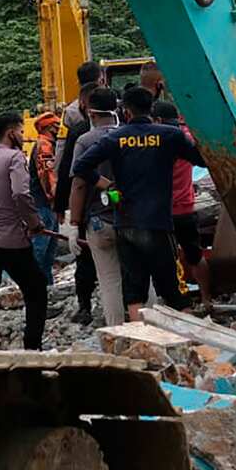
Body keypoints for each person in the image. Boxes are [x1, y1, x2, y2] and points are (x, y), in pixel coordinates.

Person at [71, 86, 204, 322]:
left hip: (126, 222)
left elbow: (81, 167)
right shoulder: (169, 135)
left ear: (126, 111)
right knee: (172, 287)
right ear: (151, 108)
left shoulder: (115, 138)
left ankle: (138, 337)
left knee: (134, 289)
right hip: (158, 222)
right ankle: (188, 335)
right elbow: (202, 159)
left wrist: (107, 186)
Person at [0, 112, 50, 349]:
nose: (24, 137)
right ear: (10, 133)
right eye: (21, 131)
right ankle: (32, 346)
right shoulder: (15, 158)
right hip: (12, 241)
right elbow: (20, 194)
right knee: (36, 290)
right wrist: (34, 223)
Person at [67, 87, 125, 326]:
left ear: (90, 113)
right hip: (130, 217)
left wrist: (74, 224)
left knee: (109, 281)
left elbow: (79, 184)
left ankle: (119, 333)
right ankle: (149, 329)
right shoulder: (128, 135)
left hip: (99, 221)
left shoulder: (85, 141)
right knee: (141, 277)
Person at [151, 100, 211, 305]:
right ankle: (207, 300)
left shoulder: (156, 141)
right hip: (186, 207)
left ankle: (174, 301)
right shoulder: (186, 138)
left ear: (158, 120)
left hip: (162, 211)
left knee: (164, 259)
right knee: (196, 255)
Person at [54, 79, 100, 325]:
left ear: (83, 104)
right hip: (120, 204)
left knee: (85, 257)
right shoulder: (123, 129)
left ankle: (85, 307)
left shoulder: (80, 134)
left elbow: (68, 173)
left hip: (87, 205)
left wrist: (63, 208)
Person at [29, 111, 61, 283]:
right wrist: (56, 200)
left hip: (46, 204)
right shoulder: (44, 146)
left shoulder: (47, 144)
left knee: (48, 252)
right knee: (41, 250)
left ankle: (46, 286)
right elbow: (47, 177)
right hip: (45, 205)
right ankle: (36, 286)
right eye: (56, 126)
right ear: (49, 127)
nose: (59, 129)